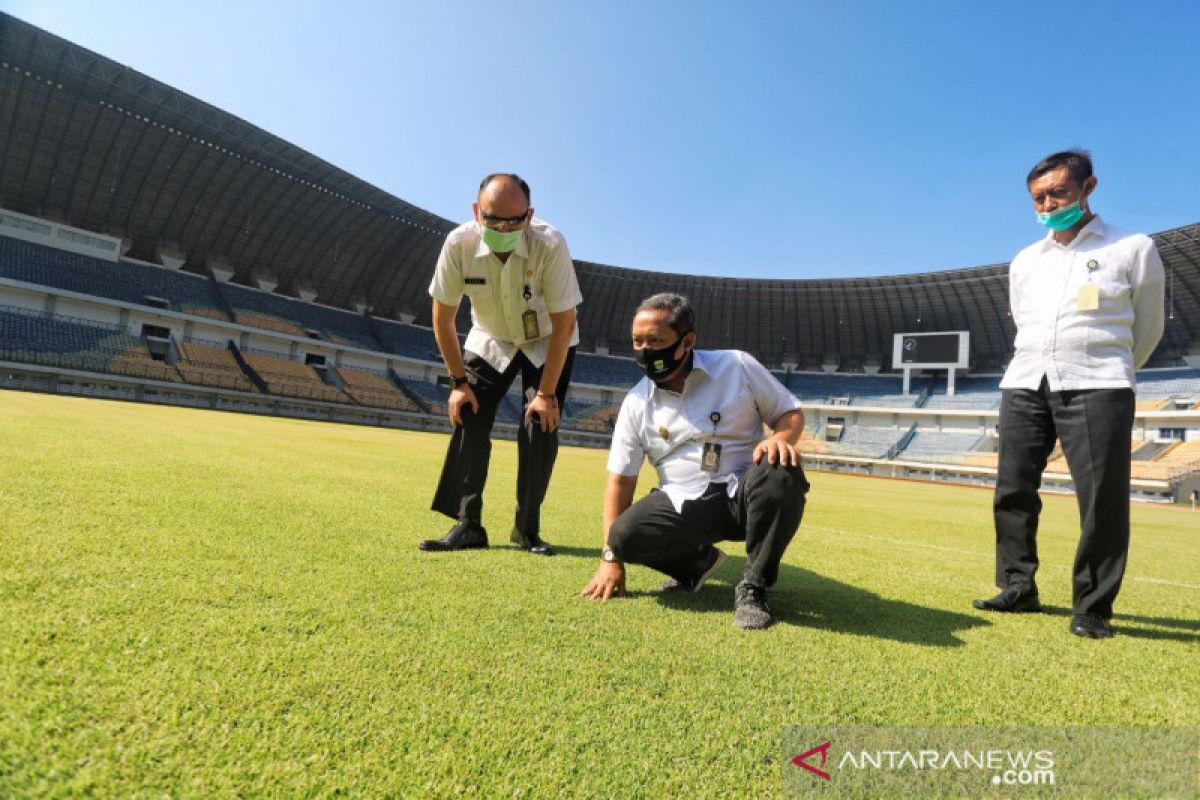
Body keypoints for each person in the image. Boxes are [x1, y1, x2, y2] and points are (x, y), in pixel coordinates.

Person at [974, 150, 1165, 639]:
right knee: (1013, 489)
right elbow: (1023, 319)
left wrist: (1111, 367)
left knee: (1100, 498)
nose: (1047, 204)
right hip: (1026, 381)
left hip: (1098, 382)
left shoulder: (1132, 248)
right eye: (1038, 197)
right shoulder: (1025, 261)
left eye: (1058, 192)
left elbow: (1147, 326)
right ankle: (1018, 585)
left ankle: (1093, 605)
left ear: (1088, 187)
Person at [580, 293, 810, 629]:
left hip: (742, 495)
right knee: (624, 535)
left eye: (655, 341)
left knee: (782, 470)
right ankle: (695, 566)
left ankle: (754, 588)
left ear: (687, 341)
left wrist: (780, 439)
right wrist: (611, 559)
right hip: (681, 502)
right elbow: (621, 481)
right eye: (637, 341)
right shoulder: (635, 402)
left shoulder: (737, 366)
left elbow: (789, 412)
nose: (645, 351)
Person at [420, 173, 582, 556]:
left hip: (547, 338)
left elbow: (564, 323)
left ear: (530, 216)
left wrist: (545, 394)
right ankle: (468, 523)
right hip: (491, 335)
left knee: (540, 421)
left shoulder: (551, 243)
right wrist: (458, 382)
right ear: (477, 212)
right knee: (469, 411)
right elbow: (442, 319)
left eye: (514, 220)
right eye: (493, 219)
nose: (504, 228)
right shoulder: (458, 244)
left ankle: (527, 529)